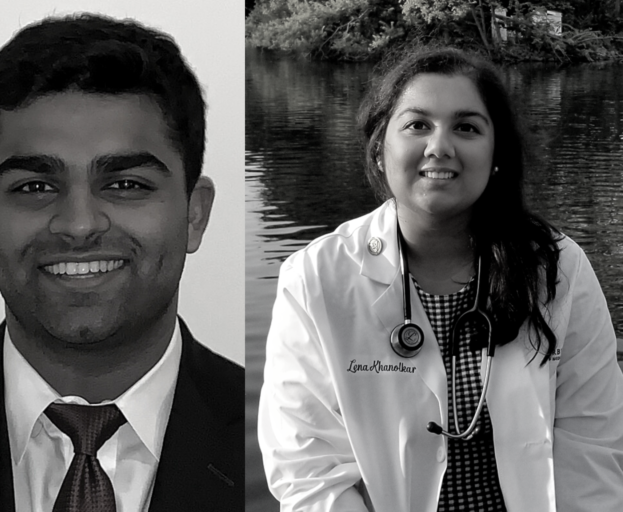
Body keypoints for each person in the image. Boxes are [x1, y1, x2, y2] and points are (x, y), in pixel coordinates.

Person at [258, 46, 623, 512]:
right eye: (417, 125)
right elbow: (307, 472)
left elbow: (592, 449)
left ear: (496, 155)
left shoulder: (557, 269)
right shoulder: (315, 279)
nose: (440, 146)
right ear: (379, 148)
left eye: (467, 127)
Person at [0, 14, 242, 512]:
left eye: (125, 184)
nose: (78, 225)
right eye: (35, 187)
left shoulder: (282, 429)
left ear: (195, 215)